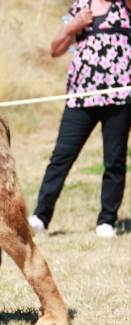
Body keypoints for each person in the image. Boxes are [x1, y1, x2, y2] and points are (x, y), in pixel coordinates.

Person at [28, 0, 131, 238]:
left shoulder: (124, 6)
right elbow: (55, 50)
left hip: (119, 97)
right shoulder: (80, 7)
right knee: (61, 157)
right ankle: (40, 218)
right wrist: (72, 26)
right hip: (82, 96)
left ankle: (106, 221)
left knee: (114, 160)